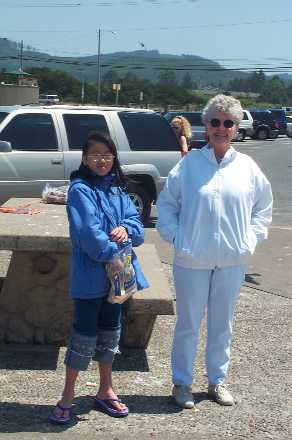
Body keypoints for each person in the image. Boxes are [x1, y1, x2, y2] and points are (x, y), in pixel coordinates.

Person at [156, 95, 273, 409]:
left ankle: (216, 381)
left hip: (232, 260)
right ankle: (182, 382)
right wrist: (178, 238)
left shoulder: (248, 168)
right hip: (192, 259)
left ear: (235, 128)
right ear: (205, 126)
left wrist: (249, 240)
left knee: (223, 324)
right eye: (215, 122)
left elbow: (263, 209)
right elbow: (166, 206)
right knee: (188, 324)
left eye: (228, 122)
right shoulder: (189, 165)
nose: (221, 128)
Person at [50, 132, 148, 423]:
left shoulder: (117, 188)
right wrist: (117, 250)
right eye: (95, 154)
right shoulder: (80, 190)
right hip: (91, 279)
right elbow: (89, 238)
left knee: (110, 330)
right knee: (83, 334)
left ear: (114, 157)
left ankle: (106, 389)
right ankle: (68, 395)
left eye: (107, 154)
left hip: (116, 280)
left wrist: (127, 230)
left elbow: (137, 225)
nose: (101, 160)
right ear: (84, 159)